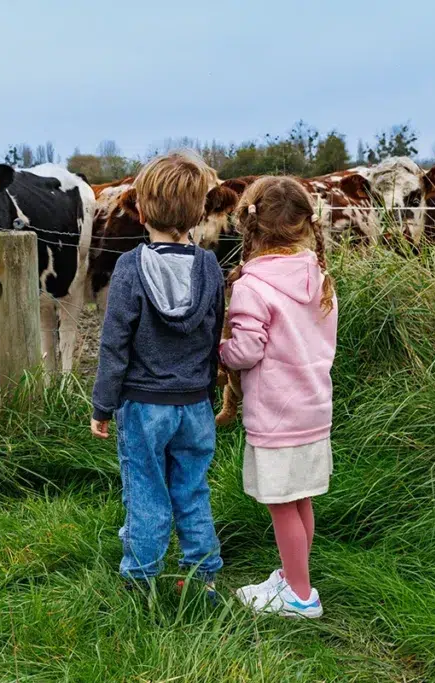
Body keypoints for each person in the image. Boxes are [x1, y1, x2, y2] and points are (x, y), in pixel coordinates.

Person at [90, 151, 226, 599]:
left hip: (144, 405)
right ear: (199, 213)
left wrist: (102, 405)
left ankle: (141, 579)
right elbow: (212, 335)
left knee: (146, 490)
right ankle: (203, 575)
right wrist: (207, 392)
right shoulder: (209, 267)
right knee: (192, 489)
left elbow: (114, 344)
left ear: (142, 212)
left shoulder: (130, 267)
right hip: (195, 404)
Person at [219, 176, 337, 619]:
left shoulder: (252, 286)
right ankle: (293, 577)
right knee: (300, 499)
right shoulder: (318, 275)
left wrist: (221, 352)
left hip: (276, 415)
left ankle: (301, 597)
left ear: (249, 225)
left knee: (282, 506)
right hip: (314, 409)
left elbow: (247, 350)